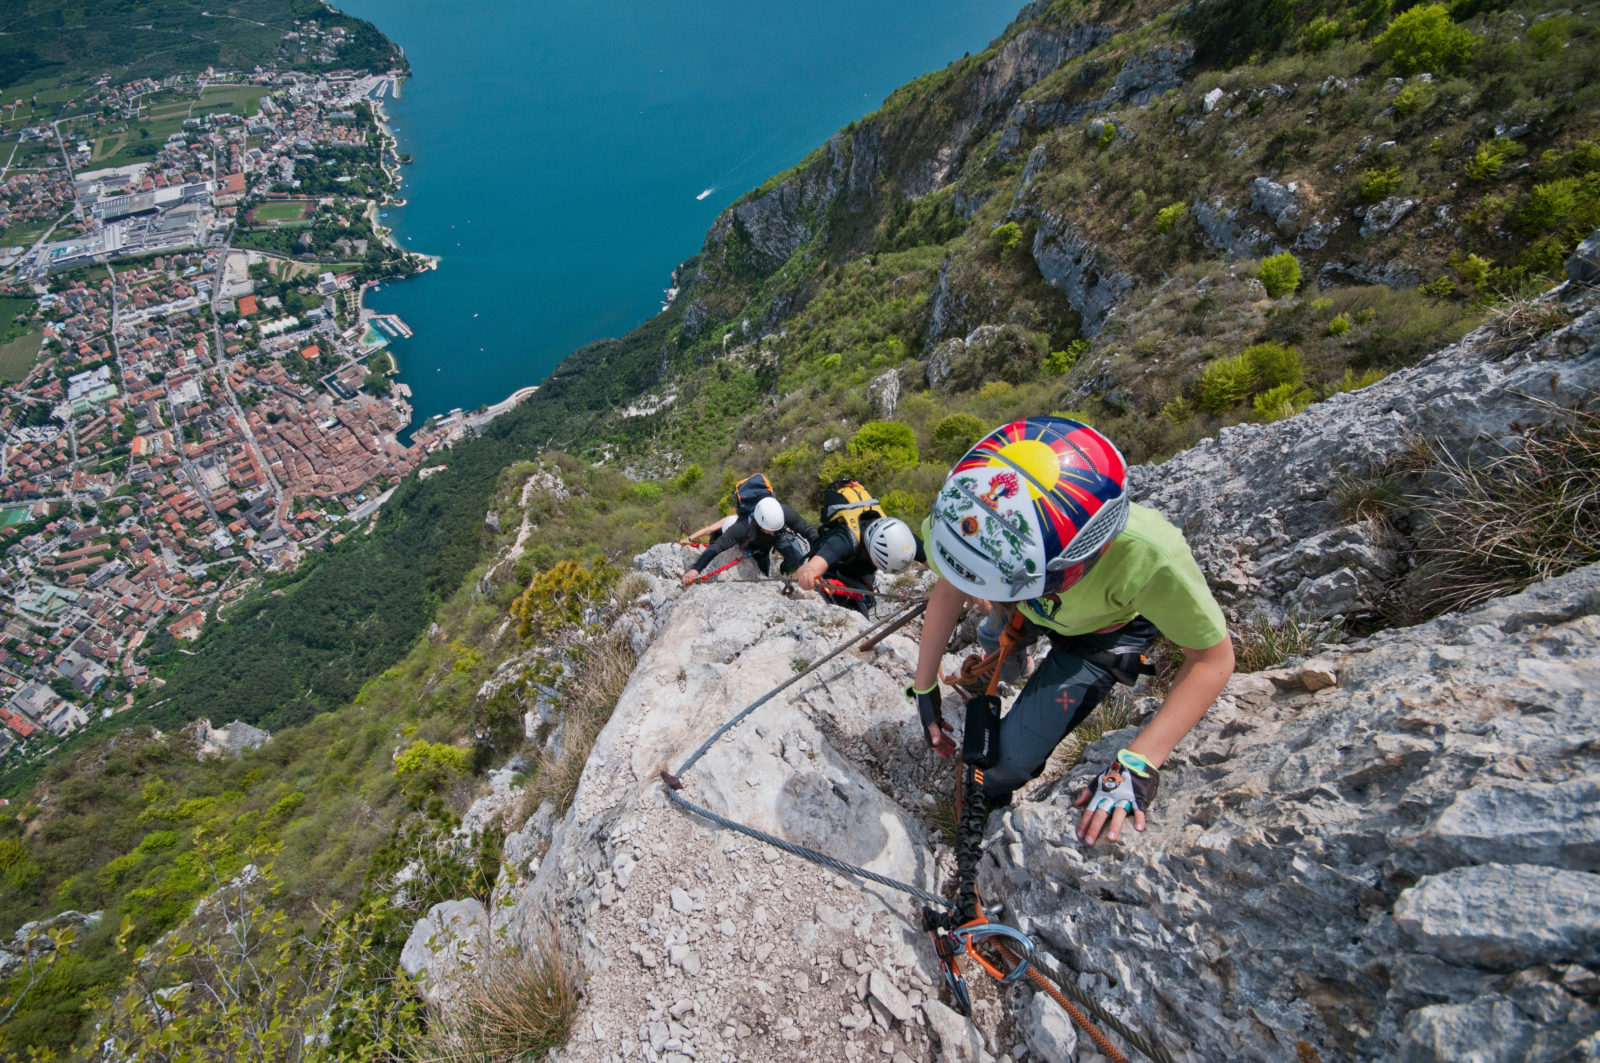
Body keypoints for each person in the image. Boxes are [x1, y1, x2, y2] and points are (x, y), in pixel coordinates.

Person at [906, 416, 1234, 847]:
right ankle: (1010, 659)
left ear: (1084, 558)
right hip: (1027, 608)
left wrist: (1140, 760)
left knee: (1000, 766)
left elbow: (1212, 659)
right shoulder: (965, 516)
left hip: (1101, 634)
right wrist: (924, 685)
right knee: (990, 637)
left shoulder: (1150, 558)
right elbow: (950, 589)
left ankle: (992, 801)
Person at [793, 477, 922, 613]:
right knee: (858, 616)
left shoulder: (902, 536)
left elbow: (935, 562)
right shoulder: (844, 539)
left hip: (859, 569)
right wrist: (807, 576)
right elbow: (809, 568)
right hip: (834, 573)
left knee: (864, 602)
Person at [680, 479, 815, 587]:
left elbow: (808, 531)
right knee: (763, 566)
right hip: (758, 547)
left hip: (781, 536)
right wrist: (695, 570)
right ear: (759, 522)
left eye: (773, 529)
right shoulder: (742, 527)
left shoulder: (785, 512)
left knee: (795, 560)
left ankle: (783, 570)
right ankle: (770, 575)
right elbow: (717, 546)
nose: (771, 533)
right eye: (769, 530)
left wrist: (821, 553)